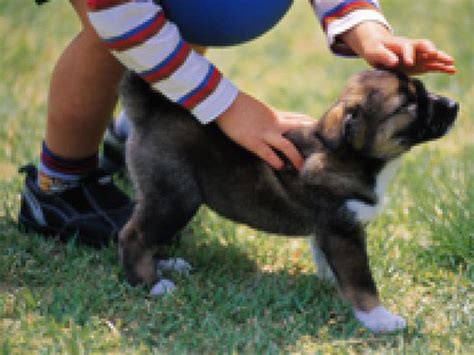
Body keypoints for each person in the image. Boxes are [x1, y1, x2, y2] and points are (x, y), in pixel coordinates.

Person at [19, 0, 455, 248]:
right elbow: (122, 22)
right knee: (108, 44)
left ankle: (138, 134)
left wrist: (367, 32)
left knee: (182, 17)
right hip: (115, 8)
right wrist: (227, 107)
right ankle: (59, 188)